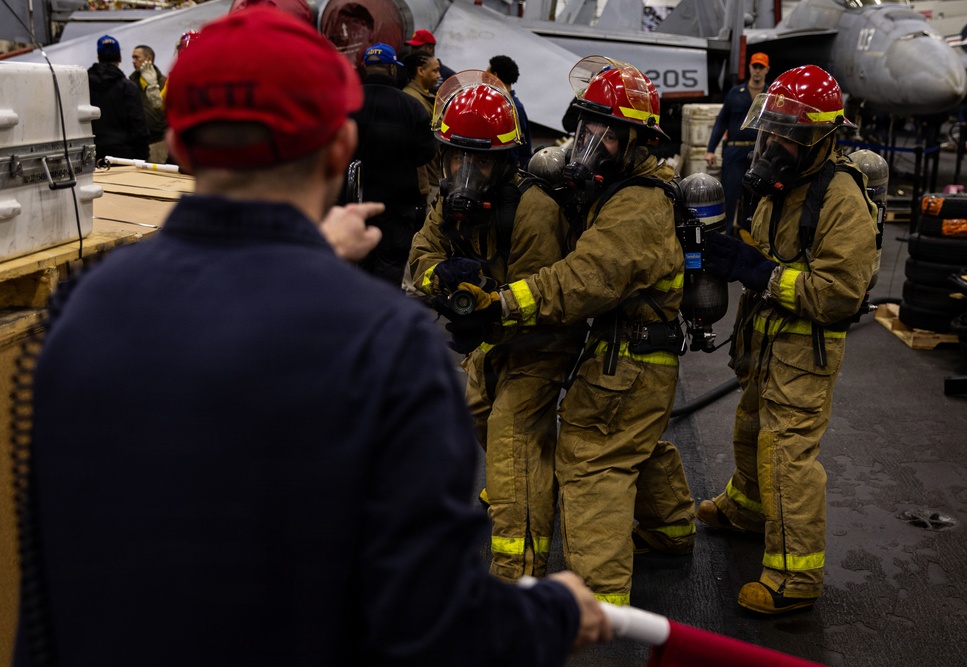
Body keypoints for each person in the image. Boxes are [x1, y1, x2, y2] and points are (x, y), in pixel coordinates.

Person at [12, 8, 611, 665]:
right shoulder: (386, 346)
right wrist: (555, 612)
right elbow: (435, 624)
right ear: (336, 149)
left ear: (180, 146)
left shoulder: (81, 312)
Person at [439, 56, 698, 606]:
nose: (587, 143)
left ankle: (602, 604)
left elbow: (582, 280)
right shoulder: (618, 189)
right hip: (619, 352)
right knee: (629, 443)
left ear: (638, 142)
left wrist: (501, 305)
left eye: (605, 134)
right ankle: (670, 529)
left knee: (591, 458)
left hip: (632, 357)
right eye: (585, 128)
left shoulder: (638, 205)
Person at [696, 64, 877, 615]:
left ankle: (795, 576)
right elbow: (769, 247)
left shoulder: (841, 197)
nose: (772, 141)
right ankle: (748, 509)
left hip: (805, 352)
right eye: (770, 127)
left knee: (787, 456)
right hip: (766, 343)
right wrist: (737, 250)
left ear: (820, 137)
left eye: (787, 133)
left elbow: (839, 293)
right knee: (750, 427)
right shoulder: (784, 184)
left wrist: (758, 271)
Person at [408, 71, 585, 583]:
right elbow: (421, 255)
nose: (466, 170)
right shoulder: (447, 201)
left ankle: (517, 570)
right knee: (474, 413)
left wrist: (485, 305)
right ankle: (530, 486)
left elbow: (539, 298)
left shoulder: (533, 209)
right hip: (492, 340)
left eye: (480, 159)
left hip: (538, 340)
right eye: (457, 156)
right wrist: (441, 273)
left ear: (503, 161)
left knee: (512, 439)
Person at [351, 42, 437, 287]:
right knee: (390, 268)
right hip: (397, 207)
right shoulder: (411, 106)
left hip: (355, 205)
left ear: (367, 68)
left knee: (358, 267)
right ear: (391, 69)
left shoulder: (346, 103)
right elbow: (427, 153)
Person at [705, 51, 770, 234]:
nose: (757, 71)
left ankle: (747, 239)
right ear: (749, 68)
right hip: (734, 152)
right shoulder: (736, 93)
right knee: (729, 196)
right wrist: (711, 149)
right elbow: (721, 121)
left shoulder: (771, 95)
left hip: (758, 154)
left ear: (767, 69)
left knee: (753, 199)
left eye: (761, 67)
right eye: (754, 66)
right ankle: (723, 236)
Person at [88, 34, 149, 161]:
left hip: (92, 157)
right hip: (124, 158)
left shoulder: (83, 85)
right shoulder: (128, 87)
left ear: (98, 57)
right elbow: (139, 128)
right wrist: (141, 158)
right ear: (120, 57)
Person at [402, 51, 442, 207]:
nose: (439, 75)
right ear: (420, 71)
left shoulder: (423, 98)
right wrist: (424, 187)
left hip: (433, 176)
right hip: (427, 181)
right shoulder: (413, 101)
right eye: (434, 70)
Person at [487, 55, 532, 170]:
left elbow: (516, 149)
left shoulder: (514, 109)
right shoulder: (501, 105)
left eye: (487, 73)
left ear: (495, 75)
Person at [129, 45, 167, 163]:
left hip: (158, 141)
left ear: (149, 59)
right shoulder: (130, 83)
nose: (133, 61)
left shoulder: (163, 82)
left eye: (137, 57)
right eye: (133, 58)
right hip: (137, 142)